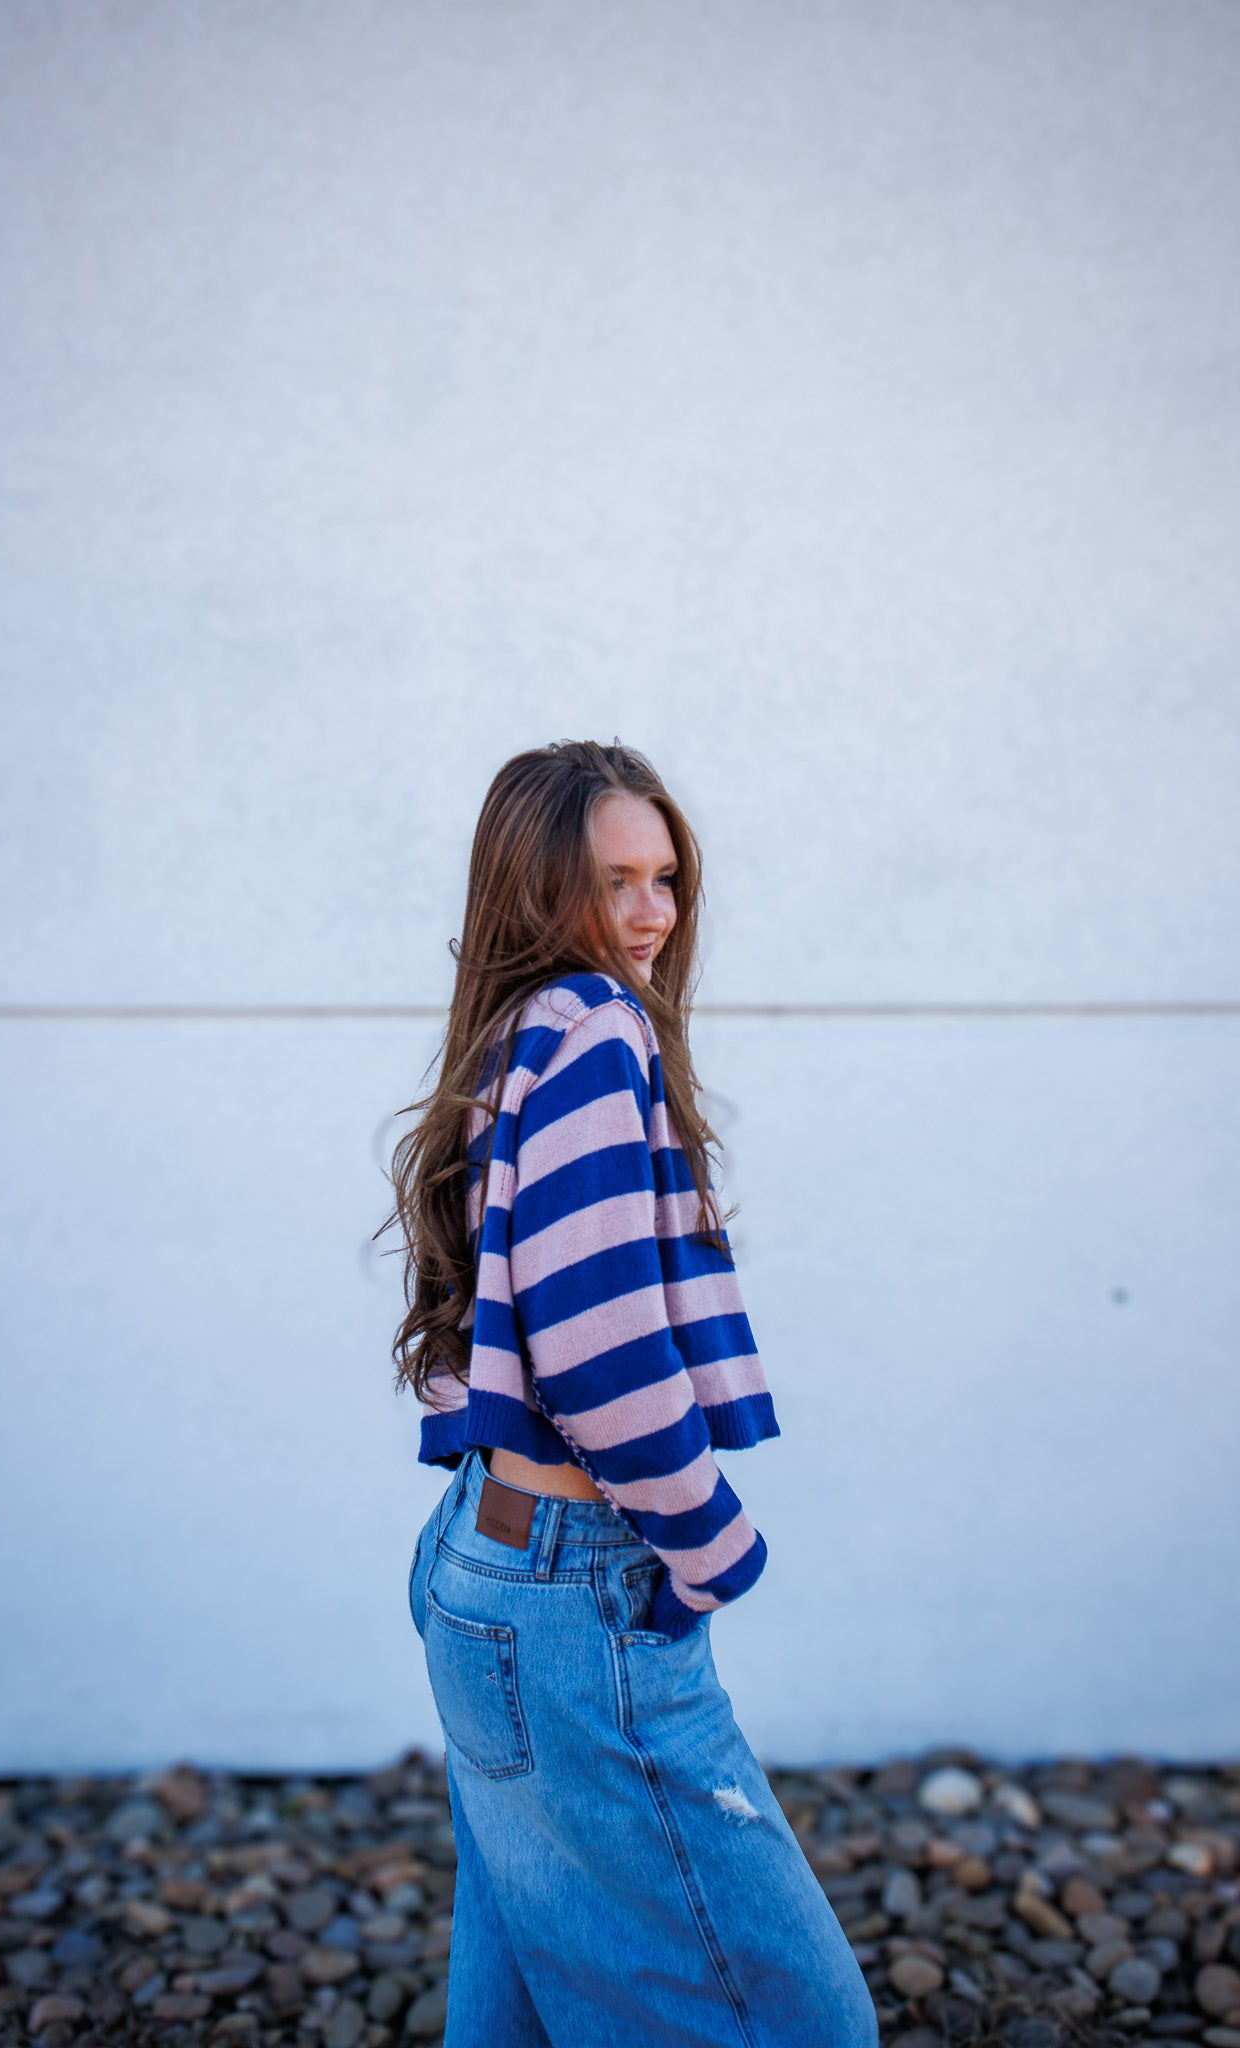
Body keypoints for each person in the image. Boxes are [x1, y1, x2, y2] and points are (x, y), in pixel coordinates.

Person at [381, 739, 879, 2048]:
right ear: (535, 887)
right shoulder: (597, 1032)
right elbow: (596, 1350)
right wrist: (713, 1540)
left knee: (523, 2010)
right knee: (803, 2024)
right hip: (573, 1585)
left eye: (665, 878)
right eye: (613, 882)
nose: (652, 913)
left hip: (483, 1562)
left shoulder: (510, 1037)